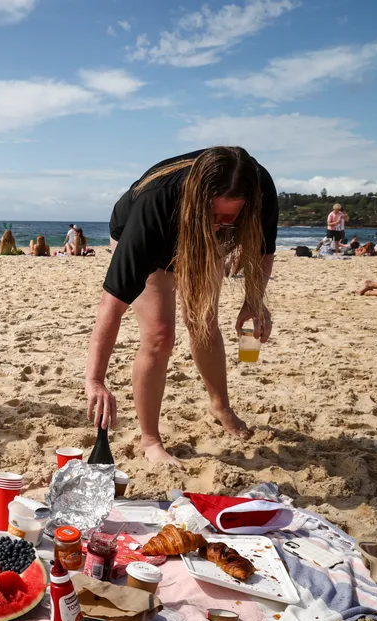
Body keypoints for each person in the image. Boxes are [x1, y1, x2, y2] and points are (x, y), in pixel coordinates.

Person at [85, 147, 278, 466]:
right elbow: (112, 304)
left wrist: (253, 302)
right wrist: (95, 379)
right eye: (215, 215)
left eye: (232, 217)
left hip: (200, 236)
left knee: (204, 322)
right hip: (157, 230)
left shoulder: (259, 190)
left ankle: (220, 406)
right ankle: (150, 440)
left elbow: (264, 249)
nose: (222, 222)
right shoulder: (155, 207)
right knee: (160, 336)